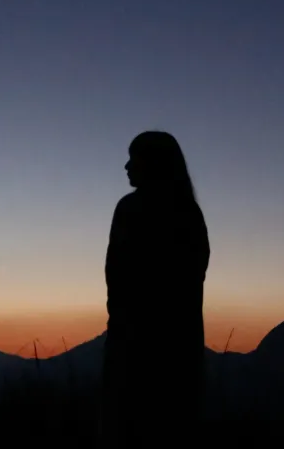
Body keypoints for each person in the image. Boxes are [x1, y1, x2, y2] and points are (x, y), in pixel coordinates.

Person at [101, 130, 210, 448]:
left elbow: (118, 278)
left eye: (133, 158)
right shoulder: (190, 213)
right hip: (179, 345)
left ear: (152, 163)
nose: (126, 166)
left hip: (134, 342)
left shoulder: (131, 209)